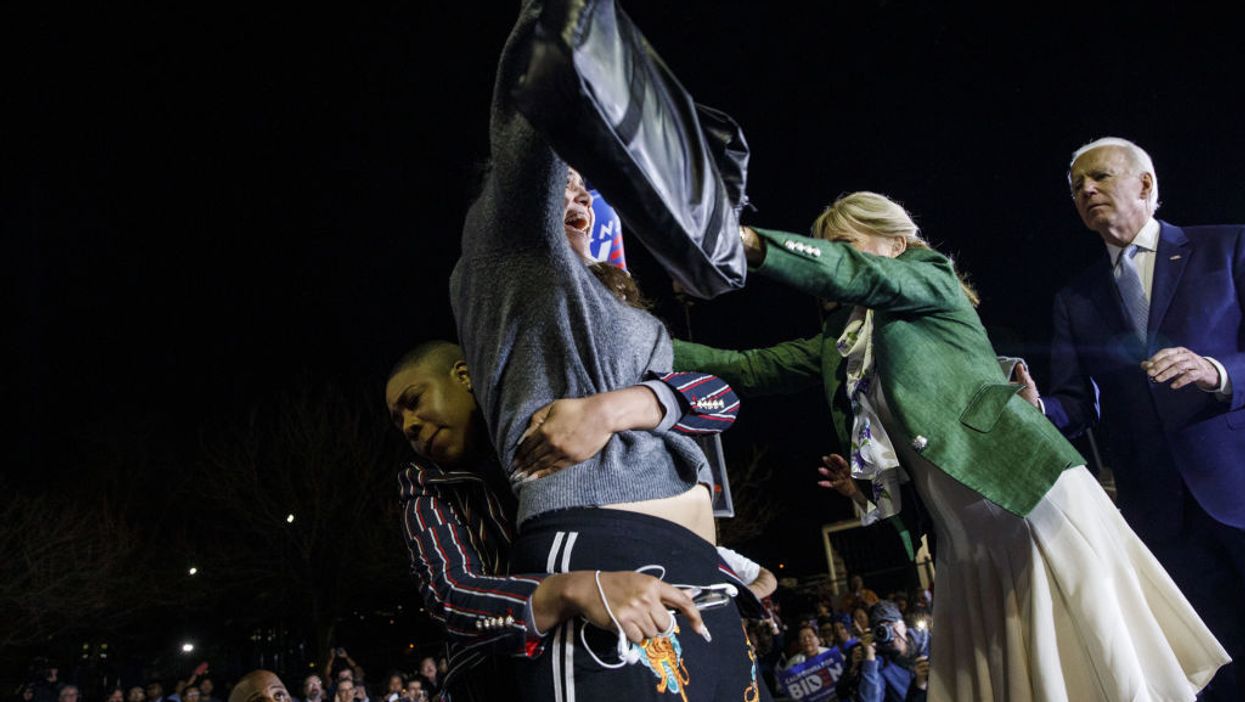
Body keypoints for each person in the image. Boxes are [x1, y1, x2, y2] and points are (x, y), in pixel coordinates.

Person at [675, 190, 1230, 700]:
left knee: (1093, 662)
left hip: (1023, 494)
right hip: (963, 532)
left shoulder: (929, 275)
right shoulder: (840, 339)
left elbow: (859, 277)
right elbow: (750, 366)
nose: (830, 262)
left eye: (841, 246)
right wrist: (636, 334)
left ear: (896, 241)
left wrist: (747, 242)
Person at [447, 0, 769, 696]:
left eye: (588, 190)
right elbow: (535, 123)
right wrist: (566, 23)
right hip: (601, 554)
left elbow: (718, 401)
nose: (580, 197)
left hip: (698, 572)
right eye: (565, 185)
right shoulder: (512, 262)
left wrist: (619, 408)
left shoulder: (624, 309)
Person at [388, 340, 743, 700]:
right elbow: (450, 595)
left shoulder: (555, 397)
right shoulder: (426, 483)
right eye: (399, 421)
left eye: (414, 401)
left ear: (464, 375)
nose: (409, 425)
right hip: (512, 678)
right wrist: (575, 590)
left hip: (667, 623)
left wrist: (609, 410)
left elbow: (721, 399)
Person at [1038, 136, 1245, 700]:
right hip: (1159, 514)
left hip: (1237, 488)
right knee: (1214, 669)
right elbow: (1075, 404)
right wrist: (1035, 408)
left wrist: (1217, 371)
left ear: (1146, 185)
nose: (1086, 190)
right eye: (1077, 185)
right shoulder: (1074, 299)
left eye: (1100, 177)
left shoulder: (1226, 248)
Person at [858, 601, 928, 702]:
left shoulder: (927, 643)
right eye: (882, 629)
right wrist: (869, 657)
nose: (889, 632)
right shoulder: (881, 666)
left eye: (891, 624)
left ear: (904, 626)